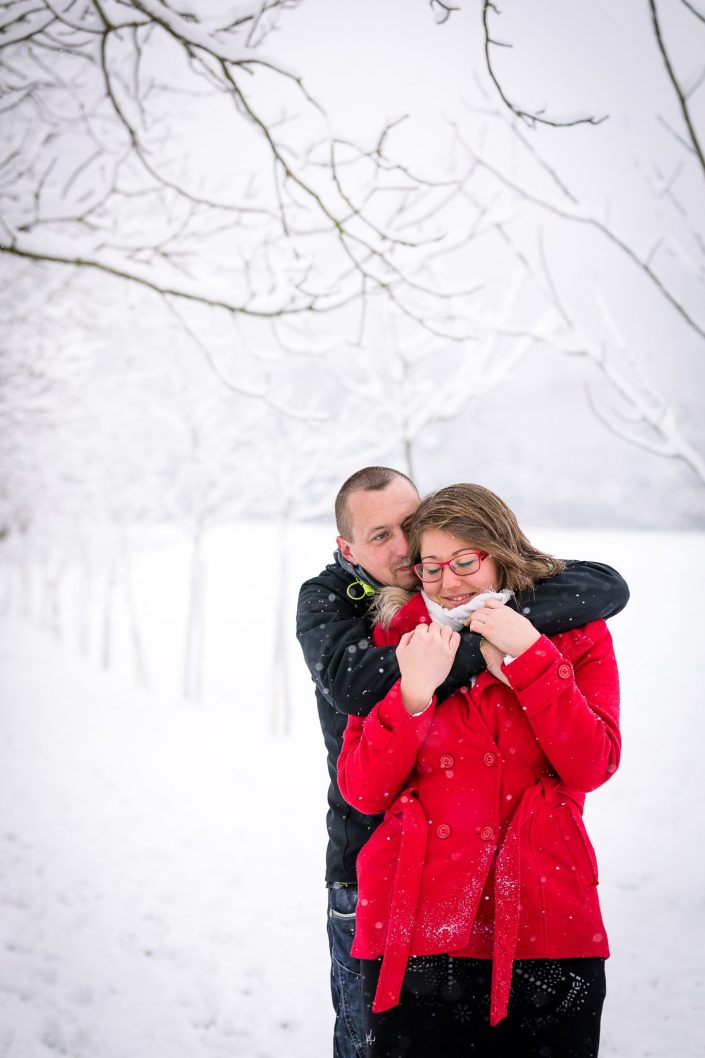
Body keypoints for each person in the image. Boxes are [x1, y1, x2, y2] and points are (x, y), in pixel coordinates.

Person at [296, 467, 629, 1058]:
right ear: (347, 547)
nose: (429, 567)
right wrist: (417, 690)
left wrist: (528, 654)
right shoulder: (378, 630)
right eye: (384, 538)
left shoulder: (567, 630)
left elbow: (592, 764)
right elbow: (363, 784)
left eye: (465, 560)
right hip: (406, 905)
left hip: (545, 914)